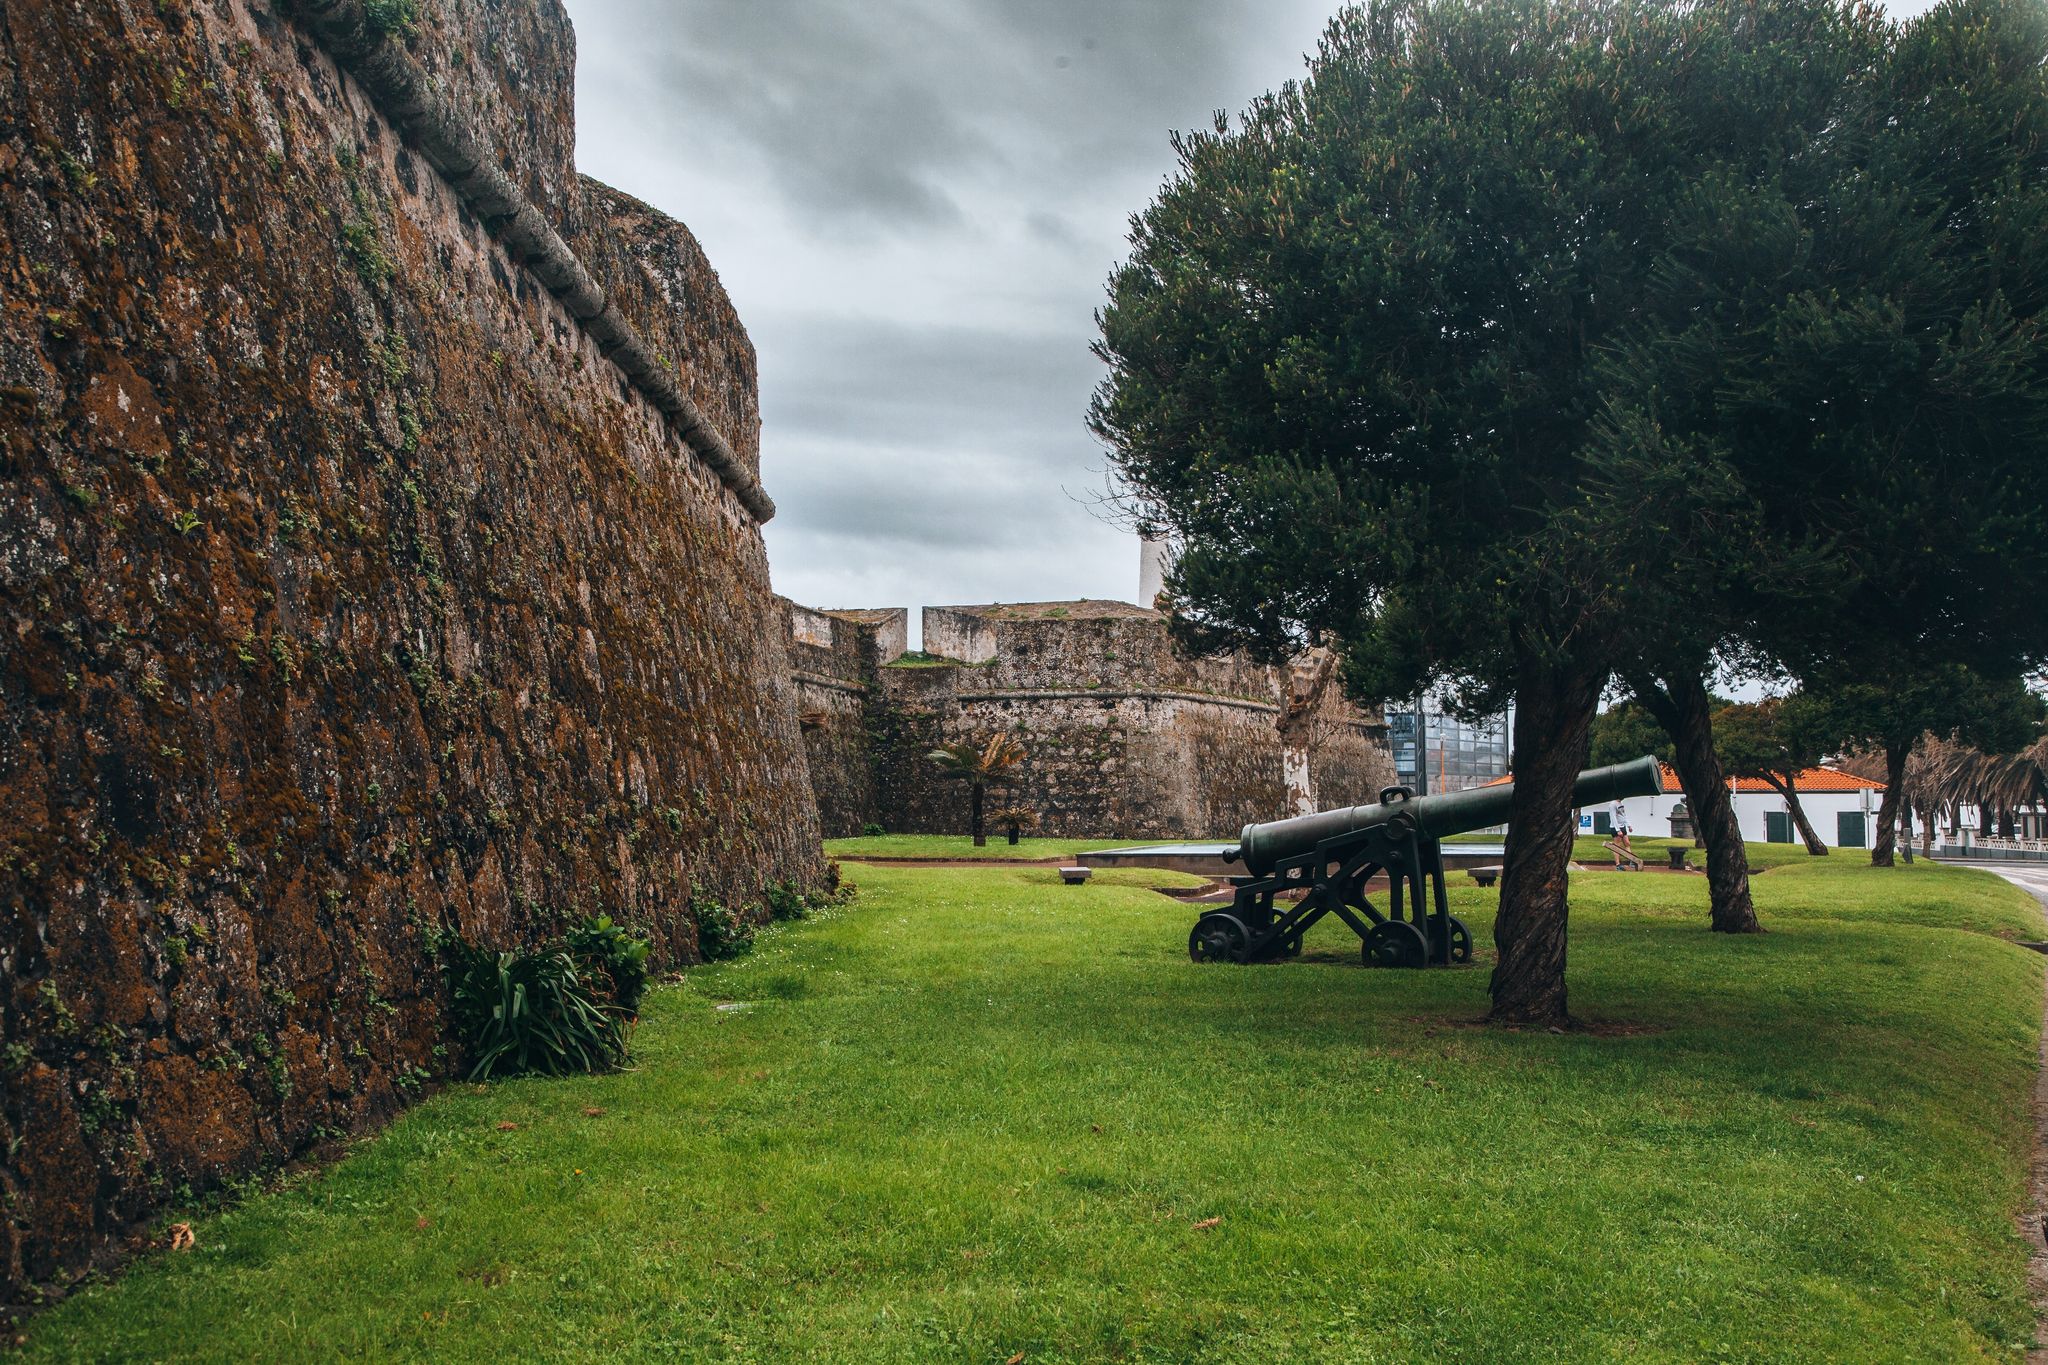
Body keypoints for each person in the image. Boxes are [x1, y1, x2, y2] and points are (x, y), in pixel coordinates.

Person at [1611, 800, 1632, 869]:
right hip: (1615, 828)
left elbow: (1624, 815)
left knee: (1627, 843)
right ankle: (1618, 865)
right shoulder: (1612, 804)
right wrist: (1618, 830)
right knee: (1617, 846)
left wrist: (1629, 825)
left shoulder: (1621, 803)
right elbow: (1613, 817)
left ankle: (1631, 860)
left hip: (1623, 826)